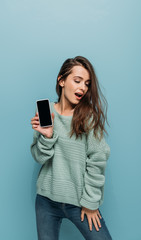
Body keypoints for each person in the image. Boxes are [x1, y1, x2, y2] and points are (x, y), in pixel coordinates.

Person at [30, 56, 112, 240]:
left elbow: (98, 160)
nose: (82, 87)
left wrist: (91, 203)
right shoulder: (47, 113)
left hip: (79, 204)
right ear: (61, 81)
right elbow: (39, 157)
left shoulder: (88, 117)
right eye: (77, 81)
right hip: (46, 201)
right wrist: (47, 136)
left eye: (87, 83)